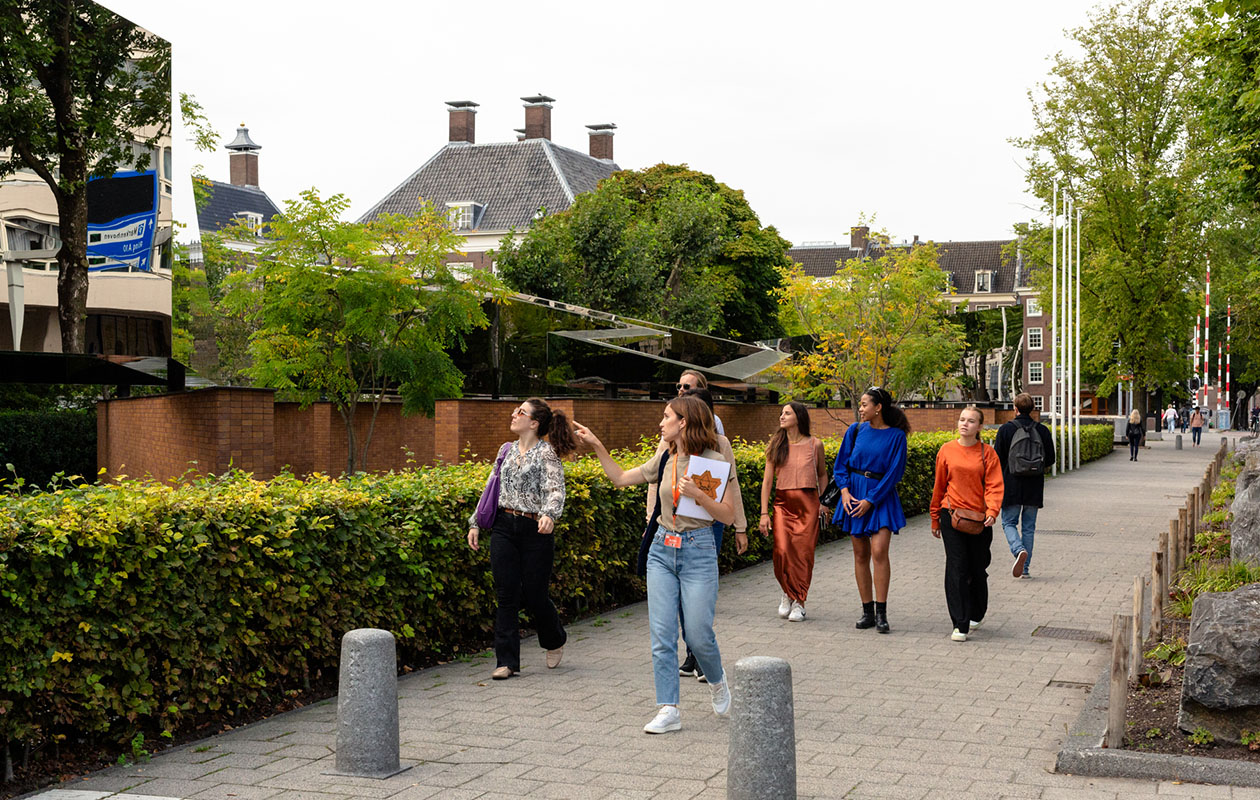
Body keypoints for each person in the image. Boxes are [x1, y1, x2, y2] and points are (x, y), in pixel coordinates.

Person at [574, 396, 742, 734]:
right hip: (662, 551)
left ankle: (716, 677)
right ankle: (669, 708)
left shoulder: (710, 460)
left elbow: (726, 514)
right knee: (662, 636)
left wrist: (700, 494)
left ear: (684, 422)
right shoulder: (665, 456)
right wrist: (596, 445)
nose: (660, 423)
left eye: (666, 417)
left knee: (698, 634)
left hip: (698, 551)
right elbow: (621, 478)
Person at [467, 398, 578, 680]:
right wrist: (476, 522)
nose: (514, 414)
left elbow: (555, 489)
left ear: (534, 423)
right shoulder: (505, 450)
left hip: (535, 530)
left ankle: (554, 638)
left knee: (534, 594)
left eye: (521, 412)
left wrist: (550, 515)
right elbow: (491, 487)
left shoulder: (547, 453)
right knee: (506, 594)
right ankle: (507, 662)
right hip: (504, 526)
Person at [667, 388, 747, 681]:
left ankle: (701, 652)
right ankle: (692, 651)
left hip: (709, 524)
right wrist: (651, 516)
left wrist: (740, 526)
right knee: (677, 593)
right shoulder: (670, 444)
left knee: (698, 590)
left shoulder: (720, 444)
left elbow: (732, 485)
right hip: (675, 524)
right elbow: (654, 481)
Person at [831, 387, 910, 634]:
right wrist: (844, 492)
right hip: (853, 495)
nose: (861, 408)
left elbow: (894, 473)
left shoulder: (897, 436)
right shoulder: (854, 431)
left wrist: (871, 500)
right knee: (860, 554)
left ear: (878, 408)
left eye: (865, 404)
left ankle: (882, 613)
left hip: (880, 497)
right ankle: (867, 611)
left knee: (879, 551)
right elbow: (840, 465)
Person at [929, 406, 1004, 642]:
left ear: (980, 427)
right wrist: (934, 518)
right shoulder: (947, 451)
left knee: (977, 569)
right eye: (962, 419)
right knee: (956, 567)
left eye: (971, 421)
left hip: (980, 520)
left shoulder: (987, 453)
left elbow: (994, 485)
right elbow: (939, 486)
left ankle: (977, 611)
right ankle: (959, 623)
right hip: (951, 515)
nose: (965, 424)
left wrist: (992, 510)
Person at [758, 402, 828, 622]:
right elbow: (767, 481)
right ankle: (787, 592)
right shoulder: (776, 445)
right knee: (781, 551)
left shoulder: (815, 444)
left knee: (803, 555)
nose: (782, 416)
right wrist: (763, 513)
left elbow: (823, 475)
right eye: (781, 413)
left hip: (808, 504)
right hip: (782, 504)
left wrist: (824, 502)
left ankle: (799, 601)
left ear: (798, 417)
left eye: (786, 413)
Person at [995, 393, 1055, 580]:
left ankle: (1018, 549)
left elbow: (997, 458)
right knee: (1029, 528)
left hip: (1011, 483)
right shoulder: (1042, 430)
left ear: (1015, 408)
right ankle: (1025, 569)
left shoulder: (1006, 430)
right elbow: (1051, 459)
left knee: (1008, 522)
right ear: (1033, 408)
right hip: (1034, 485)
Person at [676, 370, 724, 436]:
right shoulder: (673, 418)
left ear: (700, 390)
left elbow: (720, 444)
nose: (681, 389)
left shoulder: (714, 420)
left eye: (686, 386)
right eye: (679, 386)